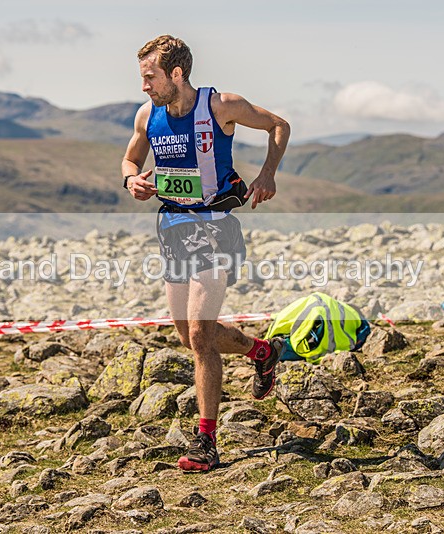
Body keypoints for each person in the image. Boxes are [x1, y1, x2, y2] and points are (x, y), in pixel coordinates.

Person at [121, 35, 290, 472]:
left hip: (215, 227)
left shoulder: (220, 106)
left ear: (176, 74)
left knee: (199, 335)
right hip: (173, 226)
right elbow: (128, 161)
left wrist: (267, 173)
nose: (144, 87)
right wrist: (131, 181)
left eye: (149, 77)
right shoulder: (148, 115)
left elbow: (278, 125)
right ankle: (261, 352)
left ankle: (207, 441)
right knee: (189, 335)